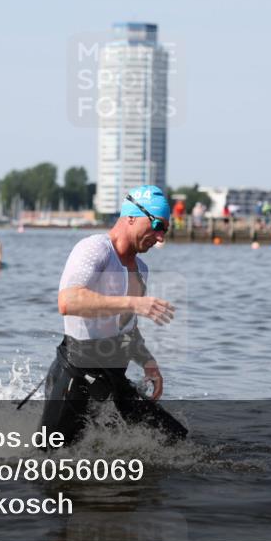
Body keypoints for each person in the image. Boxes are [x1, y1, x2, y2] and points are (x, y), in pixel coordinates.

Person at [37, 185, 188, 446]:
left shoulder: (140, 269)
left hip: (112, 378)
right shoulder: (95, 249)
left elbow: (126, 329)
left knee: (174, 439)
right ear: (131, 217)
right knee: (47, 459)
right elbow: (68, 301)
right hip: (76, 373)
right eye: (157, 225)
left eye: (166, 229)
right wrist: (133, 303)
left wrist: (148, 362)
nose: (161, 237)